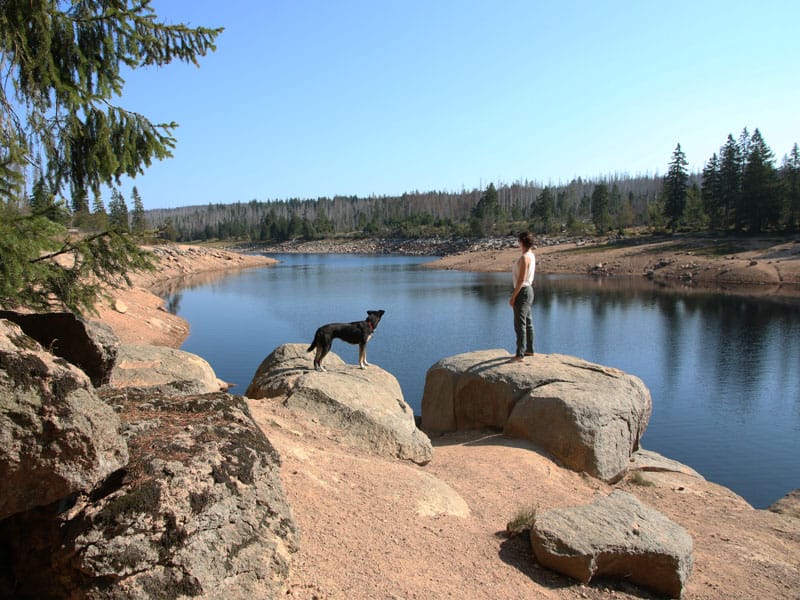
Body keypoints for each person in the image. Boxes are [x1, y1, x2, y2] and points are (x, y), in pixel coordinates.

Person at [509, 231, 536, 361]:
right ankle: (529, 350)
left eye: (519, 241)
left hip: (523, 291)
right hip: (528, 290)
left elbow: (521, 279)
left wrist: (513, 296)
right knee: (528, 321)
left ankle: (520, 353)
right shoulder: (531, 255)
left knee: (520, 323)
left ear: (521, 242)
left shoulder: (525, 257)